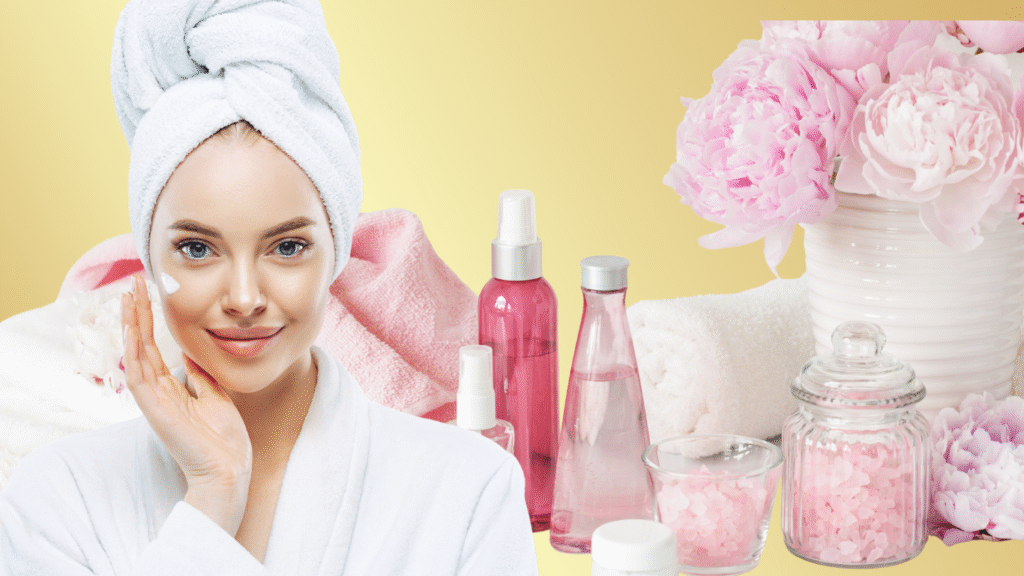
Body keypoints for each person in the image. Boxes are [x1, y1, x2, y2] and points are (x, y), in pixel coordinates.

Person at [0, 1, 538, 574]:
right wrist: (212, 496)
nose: (245, 296)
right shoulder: (55, 499)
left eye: (286, 247)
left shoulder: (470, 491)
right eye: (197, 249)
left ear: (337, 251)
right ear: (148, 260)